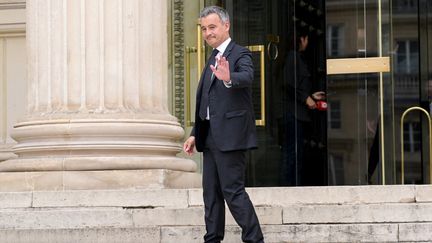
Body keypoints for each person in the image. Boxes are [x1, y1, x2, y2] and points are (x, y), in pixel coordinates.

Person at [183, 6, 264, 243]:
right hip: (209, 138)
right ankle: (212, 239)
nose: (207, 33)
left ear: (226, 26)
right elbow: (206, 101)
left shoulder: (240, 53)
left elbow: (247, 77)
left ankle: (254, 239)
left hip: (231, 137)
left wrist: (229, 78)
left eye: (212, 27)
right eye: (204, 28)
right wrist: (195, 134)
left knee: (233, 192)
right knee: (211, 195)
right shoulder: (211, 57)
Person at [280, 31, 325, 186]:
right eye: (305, 38)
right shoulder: (293, 57)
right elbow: (288, 83)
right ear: (301, 39)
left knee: (296, 154)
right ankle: (288, 188)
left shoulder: (295, 57)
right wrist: (305, 98)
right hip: (293, 113)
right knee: (292, 154)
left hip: (297, 113)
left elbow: (295, 85)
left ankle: (293, 186)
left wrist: (310, 96)